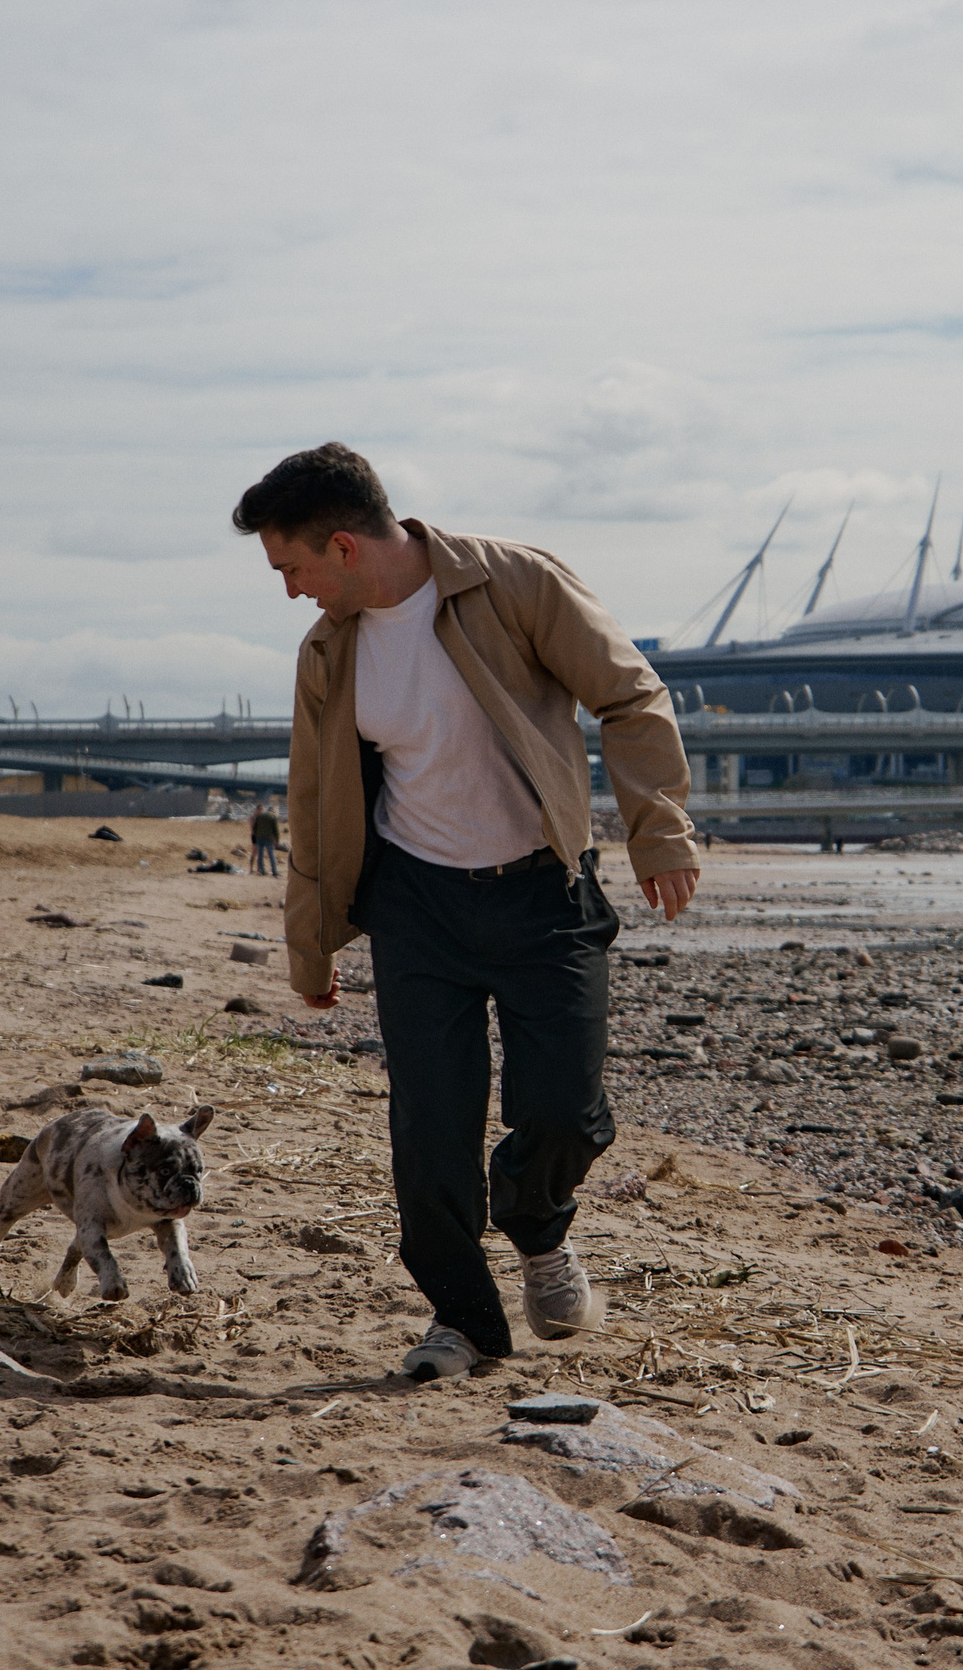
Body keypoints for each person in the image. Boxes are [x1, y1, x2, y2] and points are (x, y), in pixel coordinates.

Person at [237, 442, 698, 1383]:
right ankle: (465, 1317)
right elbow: (316, 798)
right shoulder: (330, 651)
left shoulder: (514, 583)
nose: (291, 592)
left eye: (292, 569)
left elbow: (630, 694)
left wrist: (661, 833)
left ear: (343, 546)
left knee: (565, 1110)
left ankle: (536, 1227)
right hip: (417, 908)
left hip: (543, 891)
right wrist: (313, 941)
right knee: (430, 1128)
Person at [250, 802, 281, 877]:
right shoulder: (273, 816)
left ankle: (262, 871)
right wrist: (277, 840)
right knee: (271, 855)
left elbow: (254, 828)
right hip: (269, 839)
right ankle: (274, 872)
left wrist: (257, 835)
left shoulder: (260, 816)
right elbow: (276, 830)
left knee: (260, 855)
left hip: (259, 838)